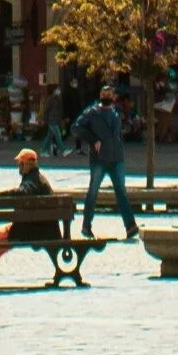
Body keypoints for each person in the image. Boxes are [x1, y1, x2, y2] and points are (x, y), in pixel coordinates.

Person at [0, 147, 60, 284]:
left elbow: (24, 192)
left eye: (20, 164)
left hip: (31, 230)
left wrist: (5, 193)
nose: (19, 167)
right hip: (46, 230)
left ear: (25, 164)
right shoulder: (40, 179)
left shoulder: (32, 180)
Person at [71, 86, 139, 241]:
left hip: (117, 158)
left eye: (109, 93)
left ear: (114, 96)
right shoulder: (92, 112)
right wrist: (92, 139)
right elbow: (75, 127)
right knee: (93, 192)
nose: (106, 95)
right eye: (104, 93)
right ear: (100, 95)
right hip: (99, 159)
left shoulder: (115, 113)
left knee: (121, 192)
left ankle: (130, 226)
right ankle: (86, 226)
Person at [40, 83, 68, 159]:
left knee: (49, 136)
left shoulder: (58, 98)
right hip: (51, 119)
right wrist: (44, 119)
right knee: (58, 135)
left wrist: (61, 119)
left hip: (56, 120)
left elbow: (60, 110)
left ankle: (43, 151)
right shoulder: (50, 99)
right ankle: (63, 150)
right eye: (57, 89)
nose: (59, 91)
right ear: (54, 90)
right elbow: (46, 110)